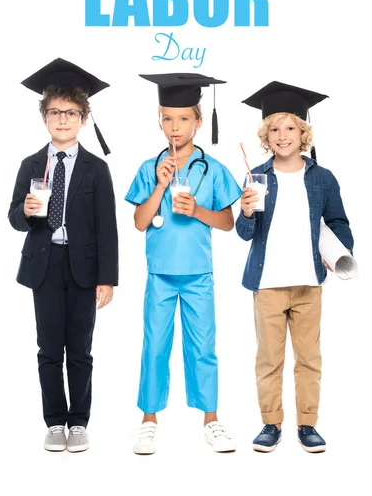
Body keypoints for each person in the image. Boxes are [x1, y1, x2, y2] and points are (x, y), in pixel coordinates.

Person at [125, 73, 242, 454]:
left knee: (203, 347)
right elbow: (140, 222)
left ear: (199, 121)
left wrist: (198, 210)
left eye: (183, 119)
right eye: (167, 119)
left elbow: (227, 223)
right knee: (155, 345)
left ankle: (211, 419)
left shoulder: (214, 170)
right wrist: (160, 185)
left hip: (198, 274)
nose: (175, 127)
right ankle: (148, 420)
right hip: (160, 274)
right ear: (159, 120)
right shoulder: (149, 167)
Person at [236, 81, 353, 453]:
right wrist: (248, 210)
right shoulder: (256, 176)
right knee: (269, 359)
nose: (282, 135)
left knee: (309, 359)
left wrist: (337, 252)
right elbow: (243, 232)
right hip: (267, 283)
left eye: (290, 128)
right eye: (274, 129)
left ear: (303, 131)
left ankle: (308, 424)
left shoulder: (321, 177)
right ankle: (271, 423)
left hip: (308, 284)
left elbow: (338, 222)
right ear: (264, 134)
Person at [8, 58, 118, 452]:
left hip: (84, 267)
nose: (62, 119)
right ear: (44, 117)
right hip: (45, 265)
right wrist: (25, 211)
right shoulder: (31, 164)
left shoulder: (96, 168)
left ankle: (79, 421)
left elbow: (107, 228)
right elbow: (13, 218)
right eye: (54, 112)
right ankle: (55, 422)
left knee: (81, 349)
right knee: (49, 348)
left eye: (71, 112)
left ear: (84, 118)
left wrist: (108, 277)